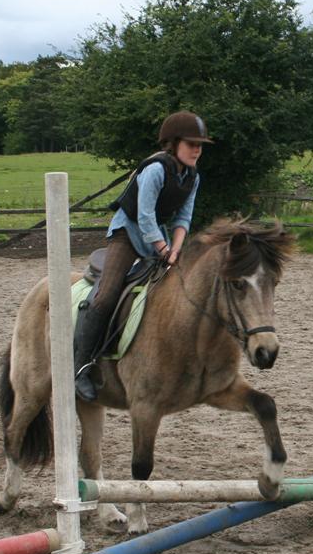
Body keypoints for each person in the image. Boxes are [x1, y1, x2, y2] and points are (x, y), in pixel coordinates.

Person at [73, 110, 211, 401]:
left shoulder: (192, 177)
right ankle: (81, 366)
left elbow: (184, 219)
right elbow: (145, 216)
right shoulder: (155, 170)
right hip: (128, 234)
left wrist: (175, 249)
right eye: (191, 143)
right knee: (107, 294)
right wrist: (163, 248)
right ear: (173, 143)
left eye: (200, 145)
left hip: (159, 237)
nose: (197, 149)